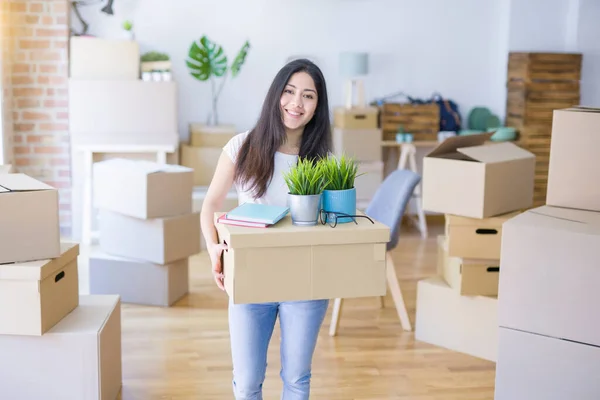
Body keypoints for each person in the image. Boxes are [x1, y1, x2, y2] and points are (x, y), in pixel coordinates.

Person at [200, 58, 332, 400]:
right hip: (251, 277)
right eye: (289, 92)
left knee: (297, 380)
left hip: (306, 279)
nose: (296, 104)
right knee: (246, 384)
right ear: (276, 94)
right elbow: (211, 205)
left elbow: (332, 224)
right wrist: (213, 247)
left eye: (308, 96)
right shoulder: (242, 146)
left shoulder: (323, 161)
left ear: (318, 106)